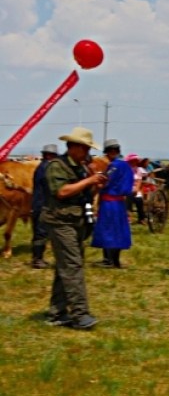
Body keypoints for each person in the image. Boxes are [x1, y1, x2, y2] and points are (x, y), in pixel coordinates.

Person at [41, 127, 106, 329]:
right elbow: (61, 191)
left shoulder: (81, 168)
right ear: (74, 147)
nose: (87, 153)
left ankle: (57, 312)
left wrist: (96, 184)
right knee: (72, 266)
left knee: (66, 268)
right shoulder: (56, 166)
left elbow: (83, 193)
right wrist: (89, 180)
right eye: (85, 149)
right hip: (60, 222)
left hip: (75, 221)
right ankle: (80, 314)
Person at [92, 138, 134, 268]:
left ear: (110, 152)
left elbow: (105, 180)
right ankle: (116, 260)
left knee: (108, 230)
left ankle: (109, 260)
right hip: (120, 202)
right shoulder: (127, 166)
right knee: (118, 231)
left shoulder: (113, 166)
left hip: (109, 203)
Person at [30, 143, 59, 268]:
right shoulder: (47, 168)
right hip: (42, 204)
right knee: (41, 232)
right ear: (50, 155)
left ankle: (38, 258)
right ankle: (37, 259)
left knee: (39, 232)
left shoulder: (40, 167)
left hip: (38, 203)